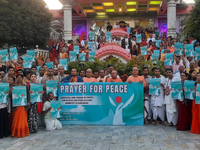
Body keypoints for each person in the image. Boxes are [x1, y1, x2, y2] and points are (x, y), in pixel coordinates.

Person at [0, 74, 9, 139]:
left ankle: (5, 133)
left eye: (0, 77)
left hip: (4, 105)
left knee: (4, 120)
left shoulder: (5, 85)